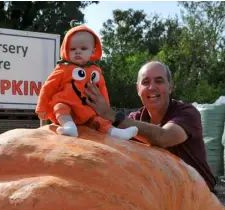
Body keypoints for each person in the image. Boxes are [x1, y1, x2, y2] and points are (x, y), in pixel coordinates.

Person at [84, 60, 216, 191]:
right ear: (138, 89)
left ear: (170, 86)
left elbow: (164, 137)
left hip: (200, 194)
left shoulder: (187, 113)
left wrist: (112, 115)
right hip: (161, 193)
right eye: (145, 82)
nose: (152, 87)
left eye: (159, 81)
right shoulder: (134, 119)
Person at [36, 22, 138, 140]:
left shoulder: (95, 71)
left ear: (93, 52)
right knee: (59, 107)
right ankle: (69, 127)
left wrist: (106, 109)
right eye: (73, 49)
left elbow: (102, 89)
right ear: (65, 50)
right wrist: (42, 106)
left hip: (88, 109)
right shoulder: (63, 68)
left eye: (83, 48)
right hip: (67, 108)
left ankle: (115, 132)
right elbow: (48, 87)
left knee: (98, 120)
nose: (77, 51)